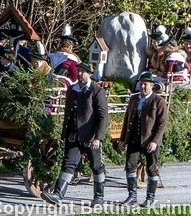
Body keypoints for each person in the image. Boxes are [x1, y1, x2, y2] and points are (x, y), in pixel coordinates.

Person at [42, 62, 109, 207]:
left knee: (96, 165)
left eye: (83, 71)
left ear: (90, 74)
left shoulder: (96, 91)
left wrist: (98, 137)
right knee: (68, 163)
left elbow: (103, 116)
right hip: (73, 134)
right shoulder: (72, 89)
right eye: (78, 71)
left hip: (90, 136)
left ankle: (99, 197)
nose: (79, 74)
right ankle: (58, 195)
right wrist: (65, 134)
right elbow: (67, 113)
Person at [120, 71, 169, 207]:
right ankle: (132, 196)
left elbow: (162, 123)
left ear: (152, 85)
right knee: (130, 166)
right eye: (141, 84)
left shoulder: (158, 101)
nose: (142, 87)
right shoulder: (134, 99)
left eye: (145, 84)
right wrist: (123, 138)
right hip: (134, 138)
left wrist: (155, 141)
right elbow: (127, 119)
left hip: (149, 140)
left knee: (151, 168)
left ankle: (150, 198)